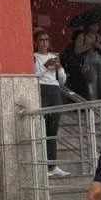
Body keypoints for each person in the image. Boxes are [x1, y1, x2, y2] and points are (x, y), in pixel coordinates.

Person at [35, 28, 71, 178]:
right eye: (41, 40)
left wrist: (59, 68)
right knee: (43, 128)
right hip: (42, 89)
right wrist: (45, 66)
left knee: (53, 130)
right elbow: (34, 76)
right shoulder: (34, 57)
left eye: (46, 40)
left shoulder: (53, 56)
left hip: (55, 90)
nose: (44, 43)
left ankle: (52, 166)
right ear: (36, 43)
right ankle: (44, 165)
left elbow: (62, 80)